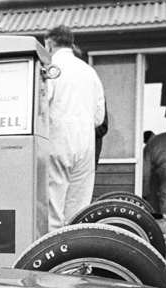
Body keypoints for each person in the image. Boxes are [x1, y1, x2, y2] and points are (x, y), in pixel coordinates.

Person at [44, 25, 105, 232]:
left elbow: (42, 105)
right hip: (85, 144)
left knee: (53, 209)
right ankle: (75, 259)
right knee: (78, 211)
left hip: (58, 141)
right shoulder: (90, 72)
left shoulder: (51, 67)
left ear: (49, 43)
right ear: (71, 43)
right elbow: (99, 118)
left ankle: (53, 261)